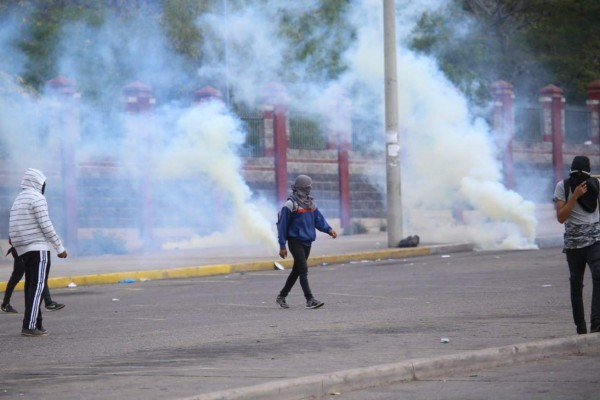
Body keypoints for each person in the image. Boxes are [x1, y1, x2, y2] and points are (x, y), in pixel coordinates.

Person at [9, 168, 68, 337]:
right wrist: (60, 247)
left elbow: (12, 228)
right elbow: (46, 225)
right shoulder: (38, 198)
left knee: (31, 286)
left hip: (23, 250)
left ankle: (37, 323)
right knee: (37, 287)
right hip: (38, 248)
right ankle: (29, 325)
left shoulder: (18, 200)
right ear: (38, 183)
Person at [553, 155, 600, 334]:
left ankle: (596, 323)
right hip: (573, 245)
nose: (579, 179)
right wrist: (574, 196)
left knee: (598, 275)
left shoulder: (596, 185)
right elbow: (561, 217)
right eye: (576, 175)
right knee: (576, 284)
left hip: (595, 241)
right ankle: (580, 328)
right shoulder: (562, 187)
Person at [275, 174, 337, 309]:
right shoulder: (290, 204)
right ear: (301, 187)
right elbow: (282, 226)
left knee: (296, 271)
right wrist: (282, 245)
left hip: (307, 241)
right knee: (303, 270)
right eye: (307, 187)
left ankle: (281, 296)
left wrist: (329, 230)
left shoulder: (311, 204)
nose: (309, 189)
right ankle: (310, 299)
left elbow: (318, 220)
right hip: (295, 241)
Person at [1, 242, 65, 314]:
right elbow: (11, 240)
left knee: (38, 276)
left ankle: (48, 302)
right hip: (23, 252)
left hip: (27, 251)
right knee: (18, 278)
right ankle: (48, 303)